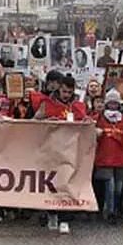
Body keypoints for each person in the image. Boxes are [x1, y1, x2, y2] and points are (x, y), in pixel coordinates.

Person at [35, 74, 89, 234]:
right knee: (52, 184)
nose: (66, 95)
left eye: (69, 92)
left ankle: (65, 219)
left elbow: (86, 123)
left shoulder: (78, 106)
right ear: (59, 89)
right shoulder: (47, 104)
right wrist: (45, 122)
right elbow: (34, 121)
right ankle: (52, 213)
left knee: (67, 185)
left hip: (71, 152)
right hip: (51, 151)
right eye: (64, 91)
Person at [93, 90, 123, 222]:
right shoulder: (100, 117)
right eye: (111, 102)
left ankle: (115, 207)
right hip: (106, 156)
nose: (113, 105)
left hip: (121, 156)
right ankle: (110, 212)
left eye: (115, 103)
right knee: (110, 185)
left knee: (119, 188)